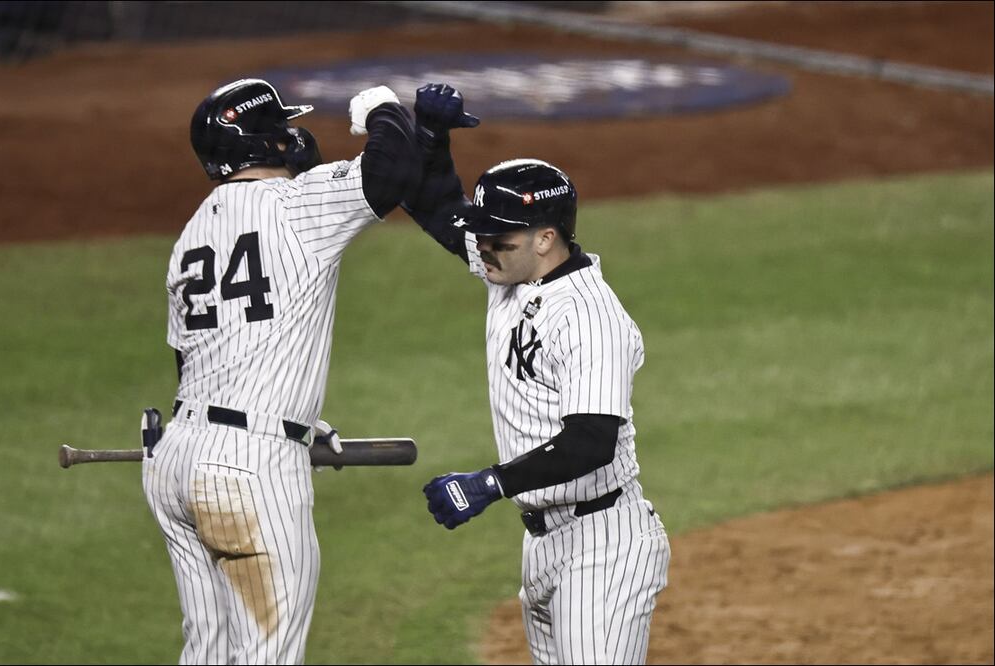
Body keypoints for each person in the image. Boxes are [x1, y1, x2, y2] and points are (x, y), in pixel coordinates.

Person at [142, 78, 420, 665]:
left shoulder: (192, 232)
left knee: (208, 650)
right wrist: (383, 106)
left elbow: (188, 360)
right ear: (266, 140)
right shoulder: (298, 203)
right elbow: (392, 169)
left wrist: (293, 417)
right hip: (249, 472)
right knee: (266, 654)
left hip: (176, 460)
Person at [405, 84, 670, 665]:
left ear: (545, 238)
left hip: (602, 546)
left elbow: (591, 441)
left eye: (495, 237)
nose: (480, 247)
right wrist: (432, 139)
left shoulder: (591, 317)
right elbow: (436, 208)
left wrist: (490, 482)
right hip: (543, 544)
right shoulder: (514, 274)